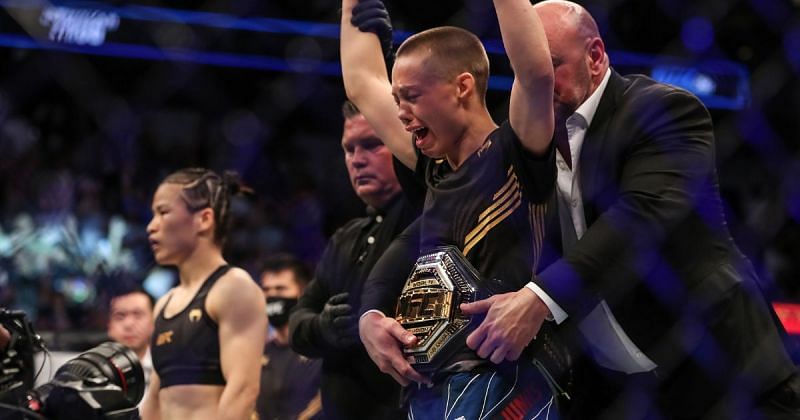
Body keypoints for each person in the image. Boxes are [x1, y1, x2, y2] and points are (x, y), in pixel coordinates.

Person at [518, 1, 799, 419]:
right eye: (527, 70)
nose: (538, 82)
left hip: (723, 374)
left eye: (551, 65)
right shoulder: (528, 141)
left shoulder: (661, 110)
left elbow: (640, 216)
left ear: (595, 56)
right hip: (612, 387)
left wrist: (538, 298)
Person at [342, 0, 562, 417]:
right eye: (397, 99)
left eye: (411, 97)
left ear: (462, 87)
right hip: (429, 390)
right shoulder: (434, 170)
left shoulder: (515, 153)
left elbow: (535, 74)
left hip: (504, 384)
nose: (401, 114)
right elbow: (360, 82)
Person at [288, 101, 419, 419]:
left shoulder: (424, 212)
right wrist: (323, 327)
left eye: (372, 145)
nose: (357, 160)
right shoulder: (346, 237)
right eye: (349, 149)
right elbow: (297, 323)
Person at [140, 168, 266, 420]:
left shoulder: (234, 288)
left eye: (163, 213)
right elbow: (155, 397)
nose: (151, 227)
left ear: (204, 219)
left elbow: (242, 392)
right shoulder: (164, 303)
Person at [257, 253, 322, 420]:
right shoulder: (257, 354)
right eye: (266, 290)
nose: (272, 296)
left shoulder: (322, 350)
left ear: (303, 293)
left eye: (280, 289)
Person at [107, 287, 155, 406]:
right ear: (109, 326)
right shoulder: (95, 372)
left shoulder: (166, 369)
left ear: (154, 322)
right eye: (120, 316)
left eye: (137, 315)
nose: (128, 324)